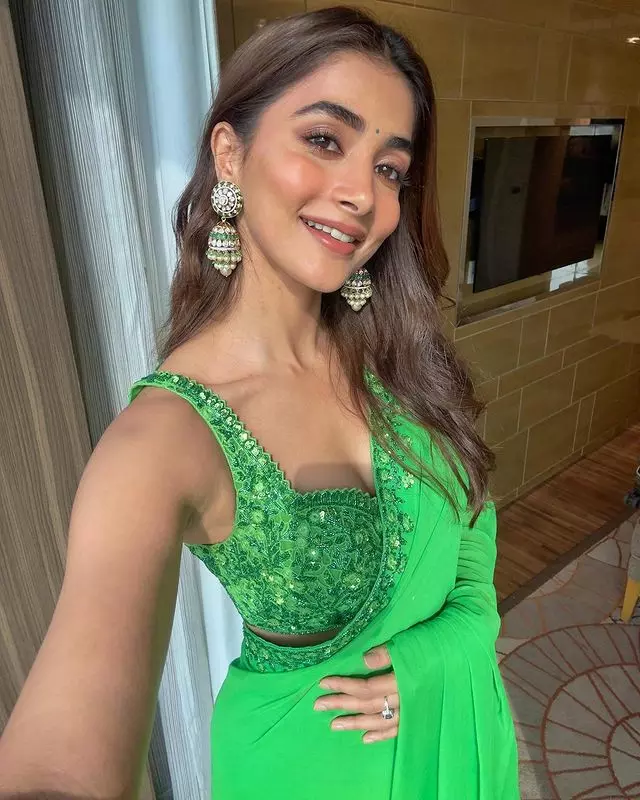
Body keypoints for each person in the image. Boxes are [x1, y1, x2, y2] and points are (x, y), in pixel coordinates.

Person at [0, 6, 519, 799]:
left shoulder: (395, 354)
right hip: (304, 770)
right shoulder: (164, 441)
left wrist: (453, 642)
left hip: (454, 723)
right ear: (230, 154)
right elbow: (61, 758)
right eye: (325, 140)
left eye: (389, 168)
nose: (361, 193)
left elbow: (472, 515)